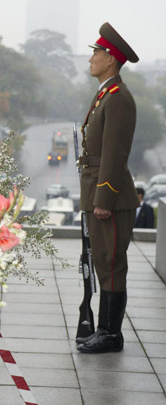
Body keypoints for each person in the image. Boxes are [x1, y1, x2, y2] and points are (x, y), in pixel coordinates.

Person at [76, 23, 139, 354]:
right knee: (102, 260)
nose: (92, 58)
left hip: (110, 197)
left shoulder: (118, 99)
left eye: (97, 52)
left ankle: (110, 334)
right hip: (99, 193)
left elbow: (115, 155)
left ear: (111, 59)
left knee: (111, 264)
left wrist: (104, 199)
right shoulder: (106, 93)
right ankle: (104, 330)